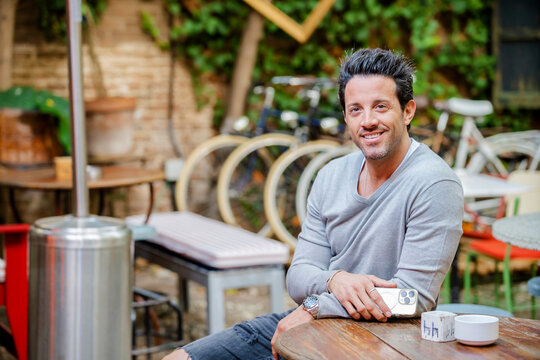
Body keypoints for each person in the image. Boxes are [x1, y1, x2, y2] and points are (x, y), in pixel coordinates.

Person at [163, 48, 463, 360]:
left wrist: (318, 304)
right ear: (346, 117)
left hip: (388, 340)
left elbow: (412, 299)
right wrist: (336, 279)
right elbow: (297, 277)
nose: (368, 121)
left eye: (381, 107)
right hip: (317, 324)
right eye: (356, 109)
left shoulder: (434, 184)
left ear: (408, 111)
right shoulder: (330, 176)